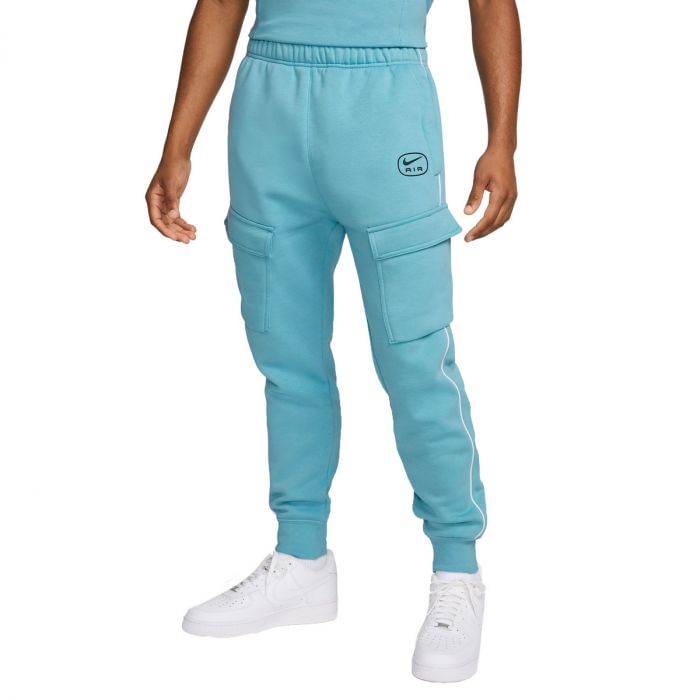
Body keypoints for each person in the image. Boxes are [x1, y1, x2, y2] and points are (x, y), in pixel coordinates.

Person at [146, 0, 520, 683]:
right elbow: (223, 3)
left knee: (415, 358)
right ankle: (301, 558)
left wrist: (503, 140)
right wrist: (177, 146)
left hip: (386, 107)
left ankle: (457, 568)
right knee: (287, 359)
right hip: (267, 109)